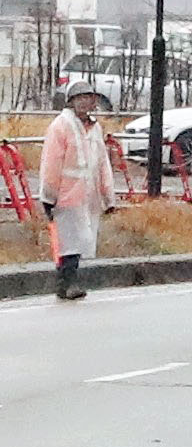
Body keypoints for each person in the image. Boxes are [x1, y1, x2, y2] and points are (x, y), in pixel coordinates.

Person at [39, 82, 116, 301]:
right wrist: (48, 196)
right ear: (71, 101)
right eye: (79, 97)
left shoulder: (94, 128)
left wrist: (108, 196)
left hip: (88, 195)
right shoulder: (60, 126)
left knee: (81, 240)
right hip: (66, 194)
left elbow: (102, 163)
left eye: (88, 97)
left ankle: (68, 282)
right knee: (68, 242)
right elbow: (51, 163)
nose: (84, 102)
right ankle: (67, 283)